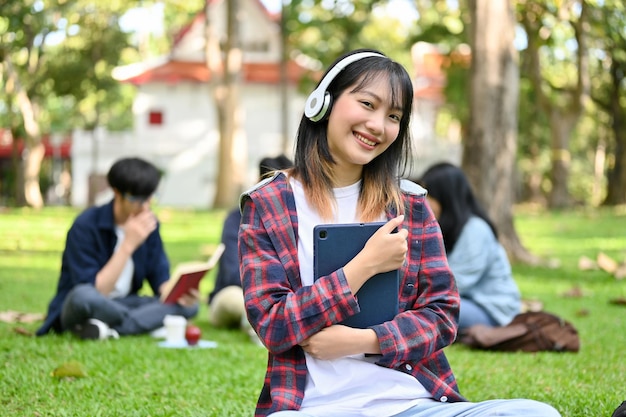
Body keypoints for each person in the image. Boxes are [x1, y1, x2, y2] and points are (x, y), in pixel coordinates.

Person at [238, 49, 561, 416]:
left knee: (537, 413)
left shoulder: (411, 205)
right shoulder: (269, 204)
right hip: (313, 407)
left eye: (394, 116)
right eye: (367, 104)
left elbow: (442, 316)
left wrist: (363, 341)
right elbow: (273, 324)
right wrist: (363, 267)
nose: (378, 125)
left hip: (410, 405)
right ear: (322, 103)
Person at [36, 157, 199, 340]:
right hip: (86, 304)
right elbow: (96, 291)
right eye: (137, 199)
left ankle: (108, 330)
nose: (145, 206)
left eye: (149, 198)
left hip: (125, 303)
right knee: (82, 296)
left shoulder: (149, 225)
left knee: (190, 306)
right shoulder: (86, 225)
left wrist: (178, 294)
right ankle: (138, 324)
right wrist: (128, 245)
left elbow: (160, 280)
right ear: (116, 193)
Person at [417, 162, 522, 334]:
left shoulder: (475, 230)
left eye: (429, 195)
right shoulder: (450, 228)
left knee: (425, 310)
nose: (424, 202)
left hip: (492, 311)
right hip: (465, 302)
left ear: (445, 197)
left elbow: (454, 284)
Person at [208, 154, 293, 342]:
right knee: (234, 300)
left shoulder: (295, 218)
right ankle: (262, 326)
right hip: (238, 293)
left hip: (284, 300)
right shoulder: (237, 217)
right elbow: (233, 273)